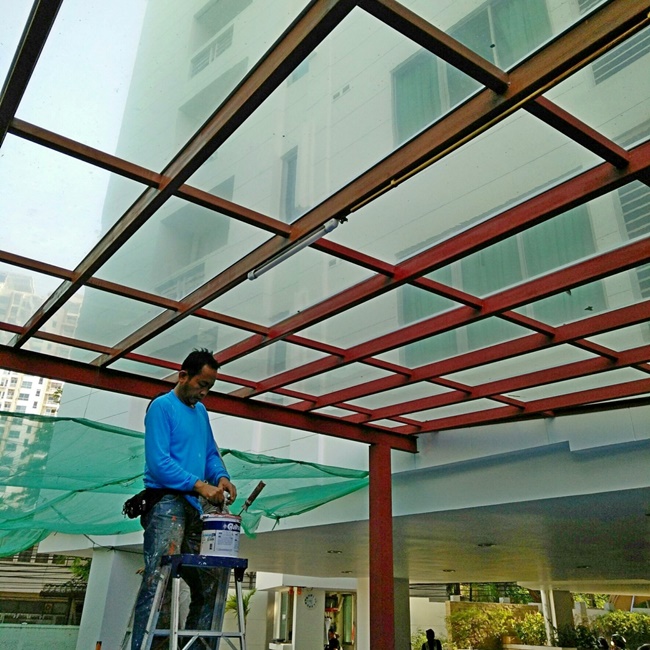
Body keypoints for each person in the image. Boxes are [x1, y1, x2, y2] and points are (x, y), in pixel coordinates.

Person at [130, 348, 237, 650]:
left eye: (209, 387)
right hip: (166, 504)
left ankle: (197, 646)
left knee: (210, 583)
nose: (204, 393)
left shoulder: (200, 412)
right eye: (201, 384)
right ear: (182, 376)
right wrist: (200, 485)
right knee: (160, 581)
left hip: (192, 506)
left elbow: (210, 453)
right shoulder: (162, 407)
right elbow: (159, 463)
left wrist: (221, 476)